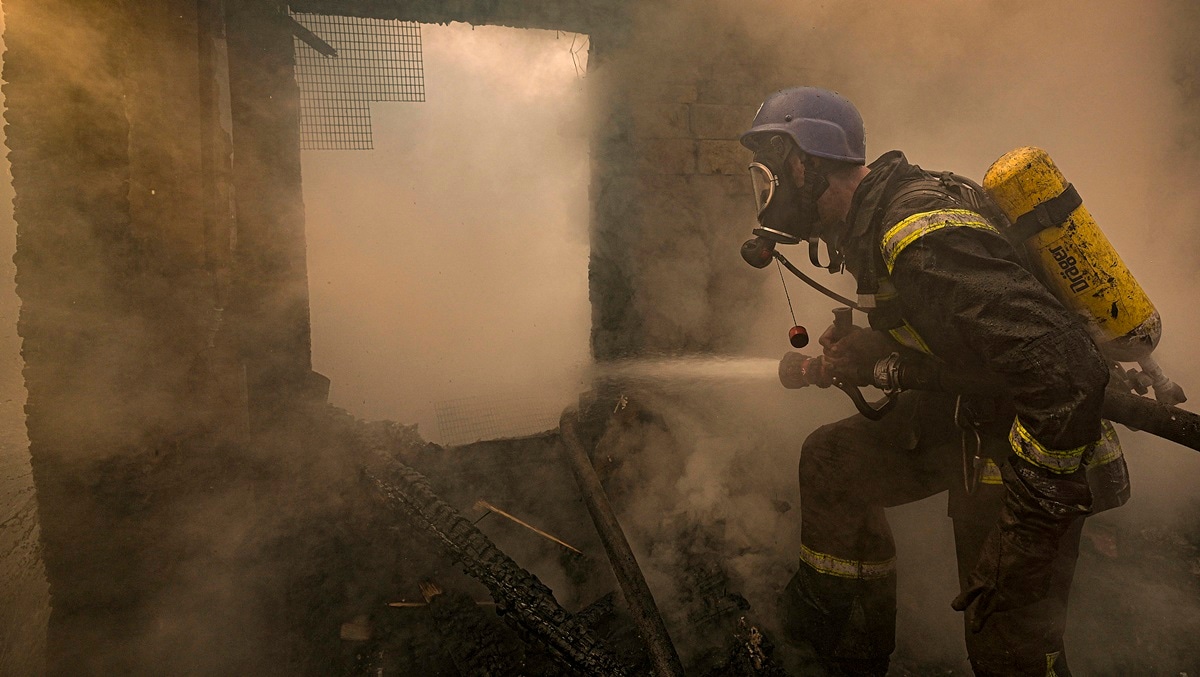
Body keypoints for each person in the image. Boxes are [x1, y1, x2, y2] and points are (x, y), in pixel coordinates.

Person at [739, 87, 1130, 676]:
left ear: (803, 163)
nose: (763, 188)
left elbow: (1068, 372)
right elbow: (964, 336)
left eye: (768, 165)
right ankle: (843, 647)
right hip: (969, 418)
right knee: (835, 459)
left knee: (1005, 643)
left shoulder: (918, 236)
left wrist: (1023, 536)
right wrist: (879, 349)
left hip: (1035, 448)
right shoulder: (873, 224)